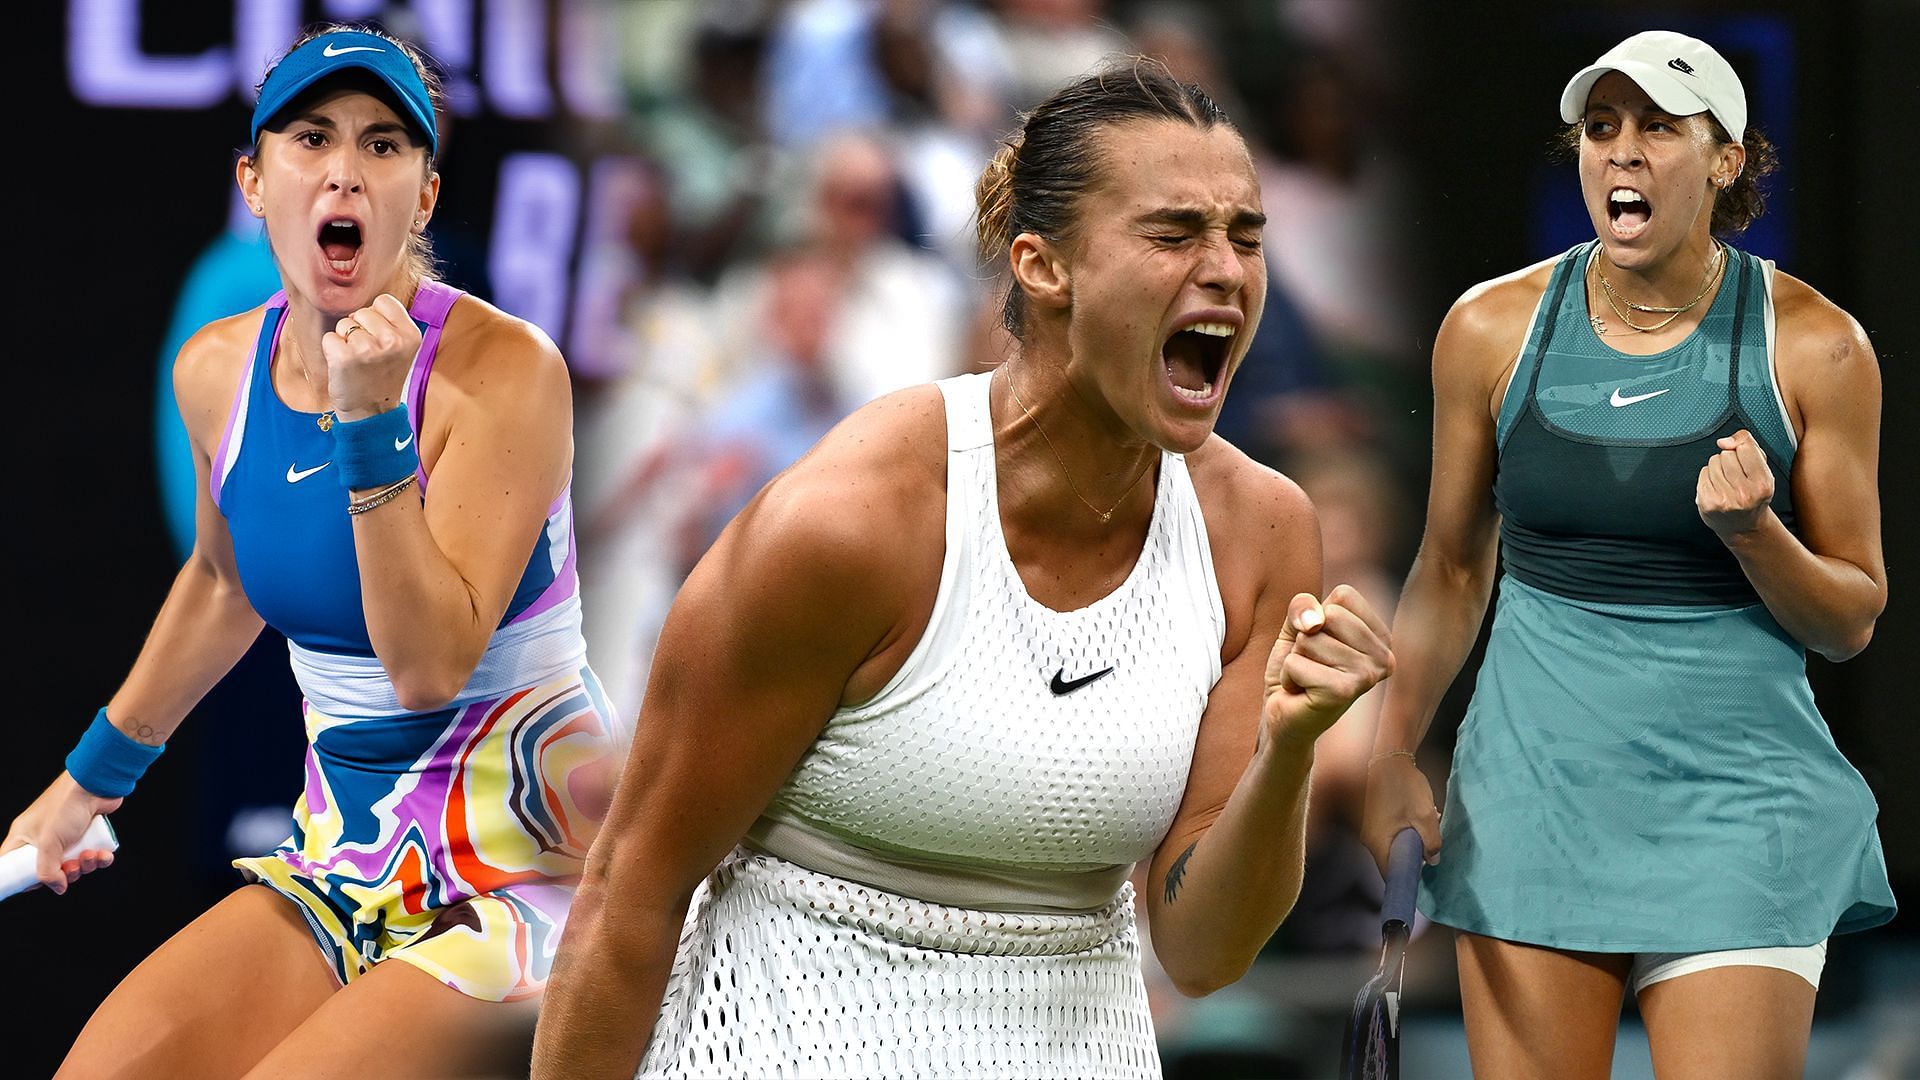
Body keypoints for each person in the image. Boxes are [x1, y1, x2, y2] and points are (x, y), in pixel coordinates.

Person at [531, 58, 1394, 1079]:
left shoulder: (1262, 532)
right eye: (1173, 234)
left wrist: (1287, 750)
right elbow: (628, 895)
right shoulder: (850, 524)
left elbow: (1204, 952)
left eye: (1246, 236)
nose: (1228, 270)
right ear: (1042, 267)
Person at [5, 26, 620, 1077]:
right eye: (310, 138)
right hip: (343, 863)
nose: (346, 169)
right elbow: (219, 581)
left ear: (423, 197)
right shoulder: (215, 370)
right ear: (254, 180)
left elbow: (427, 669)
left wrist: (370, 424)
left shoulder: (509, 372)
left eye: (386, 146)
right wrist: (87, 785)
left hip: (526, 874)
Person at [1362, 30, 1894, 1079]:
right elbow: (1452, 568)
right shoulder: (1488, 329)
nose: (1623, 152)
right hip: (1531, 800)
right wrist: (1392, 749)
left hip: (1738, 810)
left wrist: (1757, 535)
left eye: (1659, 126)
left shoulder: (1818, 345)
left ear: (1727, 159)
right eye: (1601, 129)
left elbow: (1851, 617)